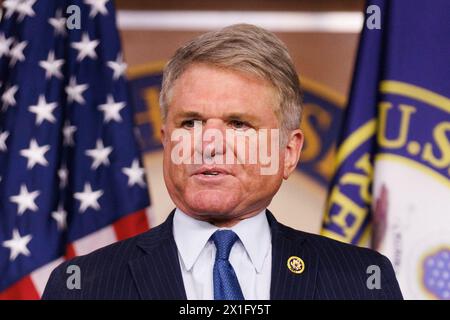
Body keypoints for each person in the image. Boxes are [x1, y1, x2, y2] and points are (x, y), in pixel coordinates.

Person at [43, 24, 403, 300]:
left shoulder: (361, 280)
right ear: (167, 141)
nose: (209, 144)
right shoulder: (82, 287)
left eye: (238, 124)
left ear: (288, 153)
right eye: (189, 123)